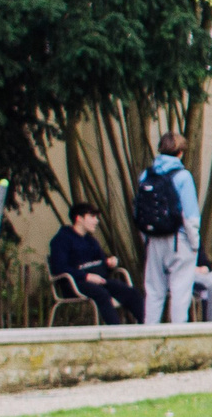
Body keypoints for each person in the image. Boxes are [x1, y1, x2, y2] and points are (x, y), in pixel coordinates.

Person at [137, 131, 201, 324]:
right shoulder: (183, 176)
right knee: (180, 291)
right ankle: (178, 334)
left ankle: (149, 333)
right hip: (178, 240)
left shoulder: (146, 175)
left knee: (154, 290)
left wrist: (147, 238)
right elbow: (189, 215)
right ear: (180, 152)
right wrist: (194, 244)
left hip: (153, 240)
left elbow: (141, 210)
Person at [47, 202, 141, 323]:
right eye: (92, 216)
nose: (96, 221)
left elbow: (100, 262)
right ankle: (116, 330)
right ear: (79, 218)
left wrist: (109, 263)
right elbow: (59, 267)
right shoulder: (61, 240)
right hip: (73, 283)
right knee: (102, 294)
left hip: (98, 281)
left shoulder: (90, 240)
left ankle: (148, 327)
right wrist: (86, 276)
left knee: (131, 292)